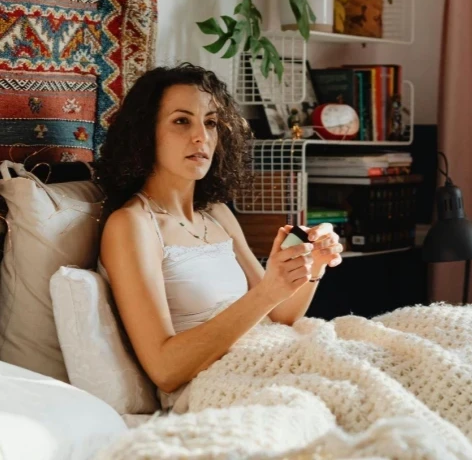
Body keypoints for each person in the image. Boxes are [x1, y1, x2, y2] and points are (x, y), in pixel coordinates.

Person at [93, 63, 343, 411]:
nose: (202, 137)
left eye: (210, 122)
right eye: (182, 121)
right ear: (145, 133)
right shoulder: (132, 226)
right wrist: (268, 291)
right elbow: (165, 370)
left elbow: (280, 315)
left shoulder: (217, 213)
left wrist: (310, 265)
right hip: (220, 384)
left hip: (273, 353)